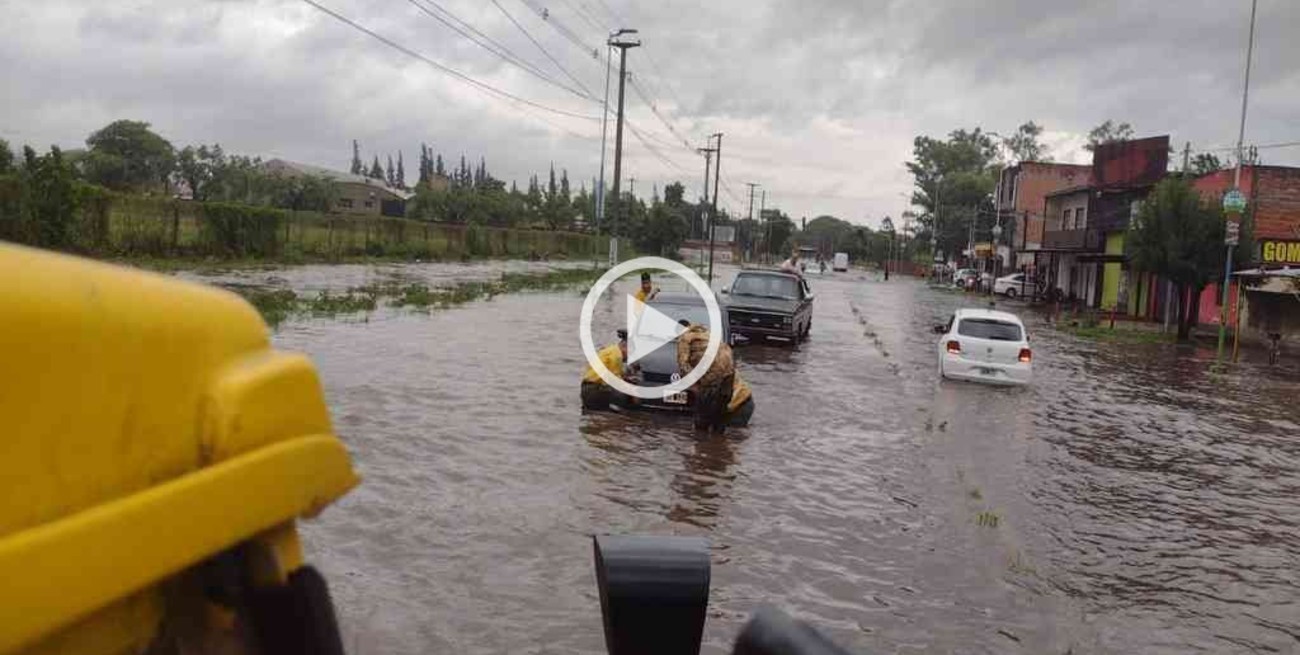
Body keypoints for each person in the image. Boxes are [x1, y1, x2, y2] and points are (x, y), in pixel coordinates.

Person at [676, 321, 735, 433]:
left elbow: (683, 365)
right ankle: (718, 442)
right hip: (729, 370)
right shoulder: (707, 333)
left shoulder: (685, 338)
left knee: (702, 412)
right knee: (721, 411)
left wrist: (694, 385)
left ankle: (701, 443)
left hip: (712, 370)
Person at [581, 329, 631, 411]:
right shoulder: (617, 356)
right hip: (594, 389)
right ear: (625, 346)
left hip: (587, 387)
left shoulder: (611, 350)